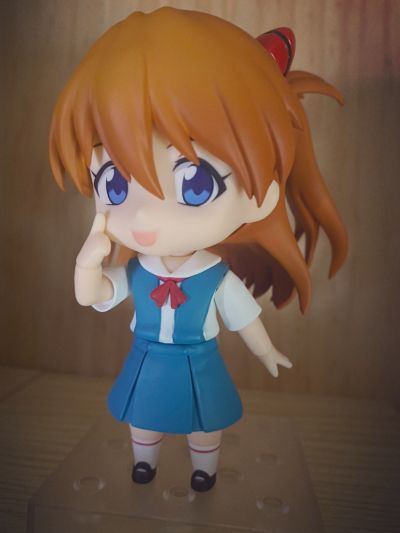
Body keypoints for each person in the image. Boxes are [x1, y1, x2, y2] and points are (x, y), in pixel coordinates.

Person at [49, 7, 347, 492]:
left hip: (198, 362)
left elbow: (244, 319)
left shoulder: (215, 277)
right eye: (115, 184)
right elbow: (93, 295)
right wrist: (87, 262)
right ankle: (143, 463)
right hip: (147, 359)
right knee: (142, 416)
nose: (144, 217)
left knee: (205, 421)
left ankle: (203, 469)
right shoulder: (138, 272)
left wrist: (266, 349)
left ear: (262, 195)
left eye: (195, 182)